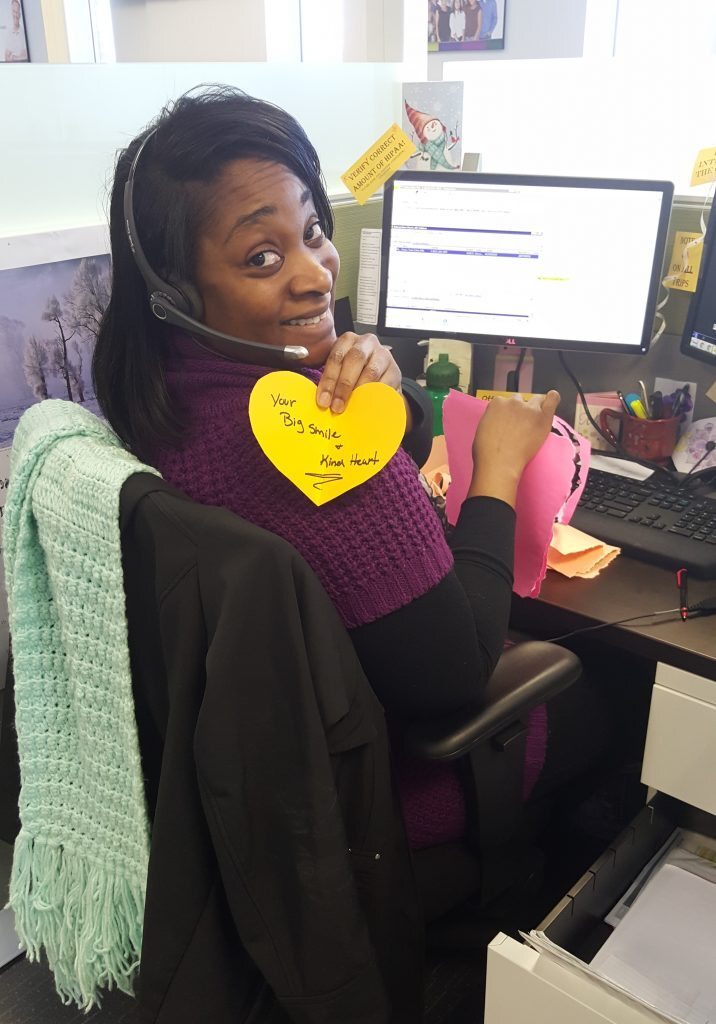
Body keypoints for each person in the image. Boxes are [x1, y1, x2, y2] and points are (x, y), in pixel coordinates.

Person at [93, 87, 607, 850]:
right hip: (385, 801)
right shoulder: (307, 445)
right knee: (614, 690)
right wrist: (495, 468)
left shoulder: (163, 395)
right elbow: (455, 675)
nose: (315, 274)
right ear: (176, 294)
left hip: (260, 795)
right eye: (263, 256)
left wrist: (388, 402)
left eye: (312, 230)